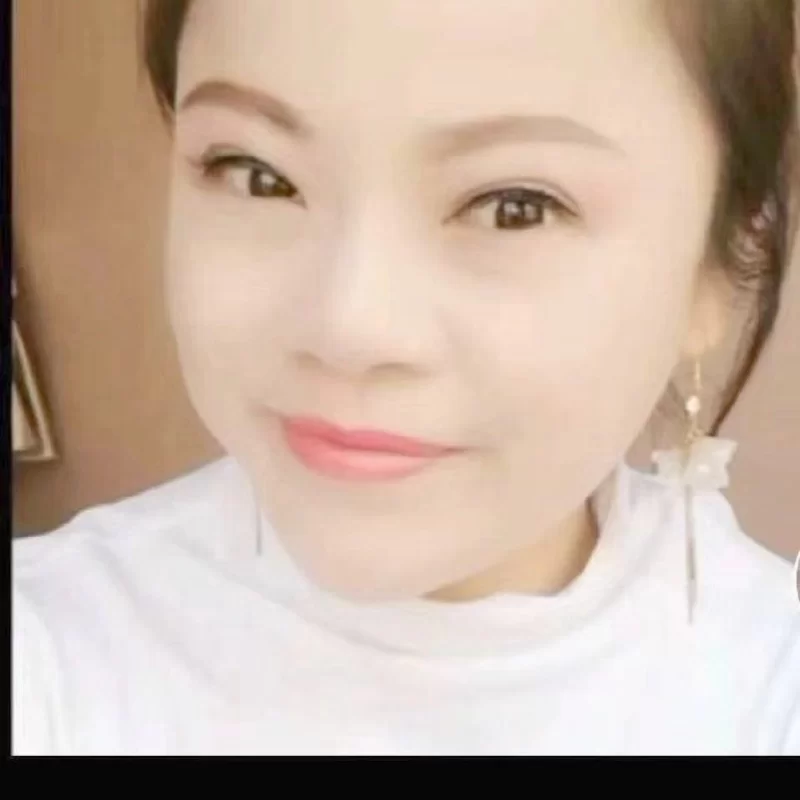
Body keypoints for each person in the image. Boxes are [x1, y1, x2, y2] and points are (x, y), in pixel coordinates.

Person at [12, 0, 800, 756]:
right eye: (257, 174)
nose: (350, 331)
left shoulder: (769, 688)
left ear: (722, 263)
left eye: (514, 206)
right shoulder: (48, 653)